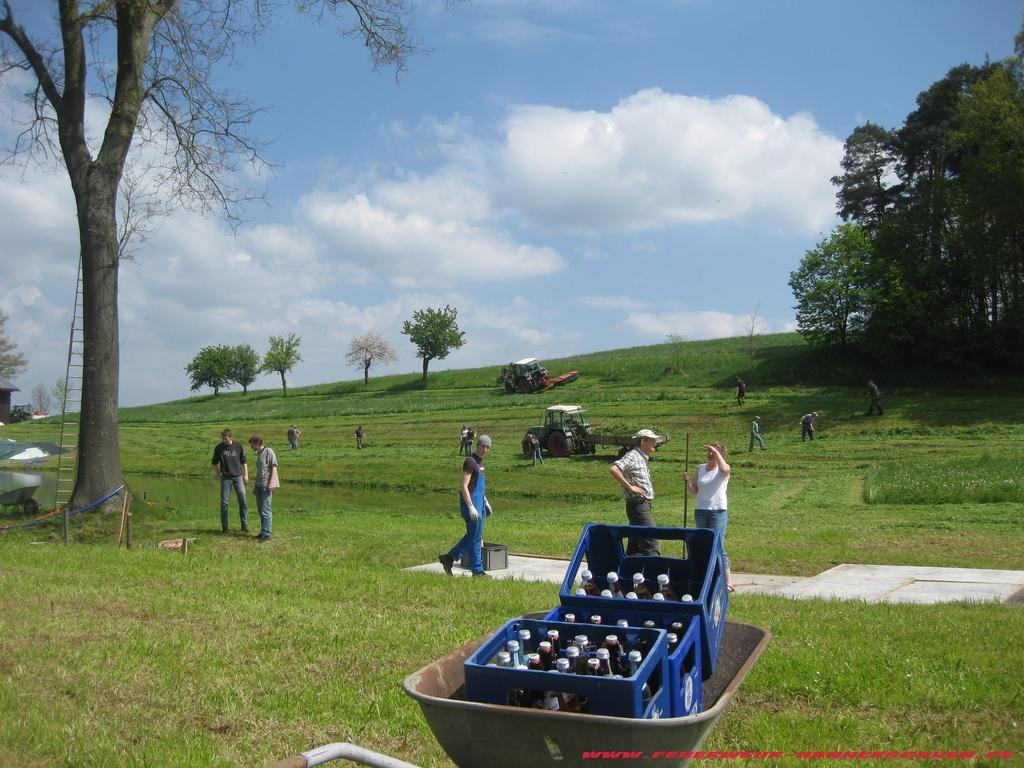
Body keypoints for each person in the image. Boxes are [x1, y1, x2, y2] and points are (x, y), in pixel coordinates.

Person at [439, 435, 494, 577]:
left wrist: (486, 502)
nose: (485, 449)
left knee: (475, 534)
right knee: (475, 537)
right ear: (477, 445)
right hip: (470, 502)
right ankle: (477, 570)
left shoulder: (481, 463)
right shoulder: (470, 462)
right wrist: (470, 507)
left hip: (479, 502)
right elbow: (464, 486)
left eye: (488, 447)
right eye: (483, 446)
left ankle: (449, 558)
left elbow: (478, 486)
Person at [684, 443, 734, 592]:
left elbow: (724, 469)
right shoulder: (700, 468)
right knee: (704, 544)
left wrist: (717, 453)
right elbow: (694, 491)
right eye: (708, 451)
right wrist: (687, 481)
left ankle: (728, 581)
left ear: (720, 454)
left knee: (718, 545)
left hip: (717, 511)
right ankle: (708, 577)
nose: (709, 454)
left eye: (713, 452)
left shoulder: (723, 469)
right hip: (701, 510)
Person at [608, 429, 663, 556]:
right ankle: (655, 573)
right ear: (643, 441)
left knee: (636, 545)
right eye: (652, 440)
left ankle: (631, 573)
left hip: (642, 505)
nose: (655, 443)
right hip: (639, 505)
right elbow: (614, 469)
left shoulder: (643, 457)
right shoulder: (633, 455)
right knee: (651, 541)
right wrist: (630, 486)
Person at [211, 428, 249, 533]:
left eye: (226, 439)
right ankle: (225, 527)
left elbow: (244, 461)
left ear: (230, 437)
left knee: (243, 500)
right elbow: (214, 463)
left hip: (238, 477)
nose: (224, 441)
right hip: (226, 478)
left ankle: (244, 525)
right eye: (223, 439)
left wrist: (246, 474)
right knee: (224, 502)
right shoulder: (218, 448)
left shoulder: (238, 446)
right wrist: (218, 476)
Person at [248, 436, 278, 541]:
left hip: (266, 485)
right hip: (259, 485)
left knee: (266, 510)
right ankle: (263, 531)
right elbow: (260, 471)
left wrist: (271, 483)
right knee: (260, 510)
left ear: (257, 443)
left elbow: (274, 467)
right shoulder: (259, 454)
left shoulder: (268, 451)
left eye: (252, 444)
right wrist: (255, 487)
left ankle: (267, 534)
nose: (251, 446)